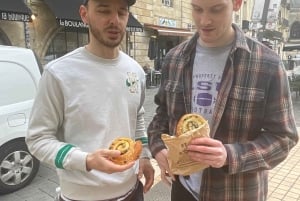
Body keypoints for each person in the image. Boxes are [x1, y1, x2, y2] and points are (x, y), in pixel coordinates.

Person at [147, 0, 299, 201]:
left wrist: (230, 155)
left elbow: (283, 138)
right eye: (197, 9)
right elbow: (162, 117)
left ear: (236, 3)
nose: (204, 20)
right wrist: (158, 148)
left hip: (237, 193)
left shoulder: (267, 63)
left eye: (216, 9)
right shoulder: (175, 59)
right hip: (184, 190)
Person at [26, 0, 154, 200]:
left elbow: (136, 116)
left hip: (132, 192)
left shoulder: (135, 70)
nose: (115, 20)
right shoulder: (58, 73)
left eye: (122, 12)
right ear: (84, 14)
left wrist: (144, 155)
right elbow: (37, 139)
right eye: (104, 11)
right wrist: (86, 160)